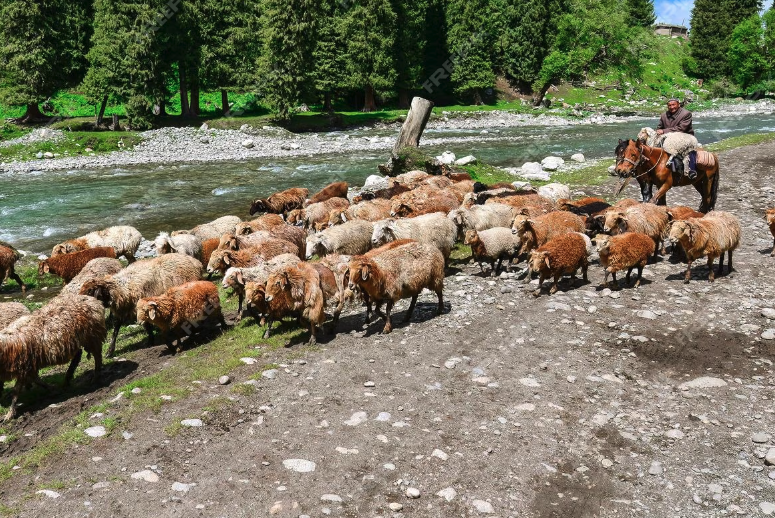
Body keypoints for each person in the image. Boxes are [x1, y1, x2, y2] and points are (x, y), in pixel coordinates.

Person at [656, 98, 698, 180]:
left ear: (678, 105)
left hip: (685, 137)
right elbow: (659, 127)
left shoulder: (686, 114)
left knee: (689, 150)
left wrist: (664, 131)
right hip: (668, 138)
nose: (671, 107)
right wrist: (657, 132)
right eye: (669, 105)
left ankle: (692, 170)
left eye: (673, 105)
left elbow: (681, 128)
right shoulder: (664, 115)